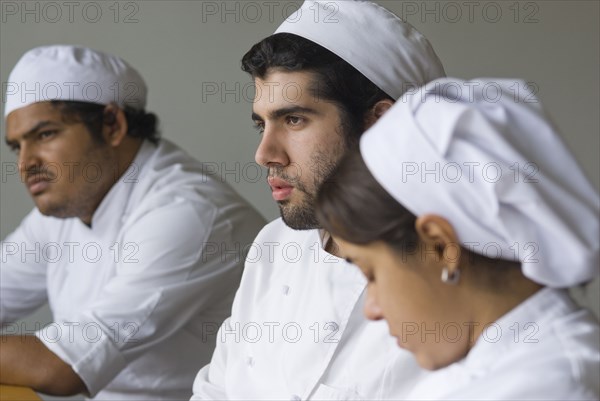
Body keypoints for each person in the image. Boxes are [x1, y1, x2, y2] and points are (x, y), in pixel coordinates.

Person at [192, 1, 446, 399]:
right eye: (262, 123)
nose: (264, 154)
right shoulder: (275, 245)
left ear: (381, 123)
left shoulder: (459, 272)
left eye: (294, 120)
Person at [0, 45, 266, 400]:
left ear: (112, 125)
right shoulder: (66, 206)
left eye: (45, 134)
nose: (26, 163)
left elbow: (61, 369)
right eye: (17, 147)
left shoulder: (187, 212)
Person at [315, 78, 600, 400]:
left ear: (440, 245)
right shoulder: (503, 368)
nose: (373, 309)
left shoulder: (549, 387)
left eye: (371, 273)